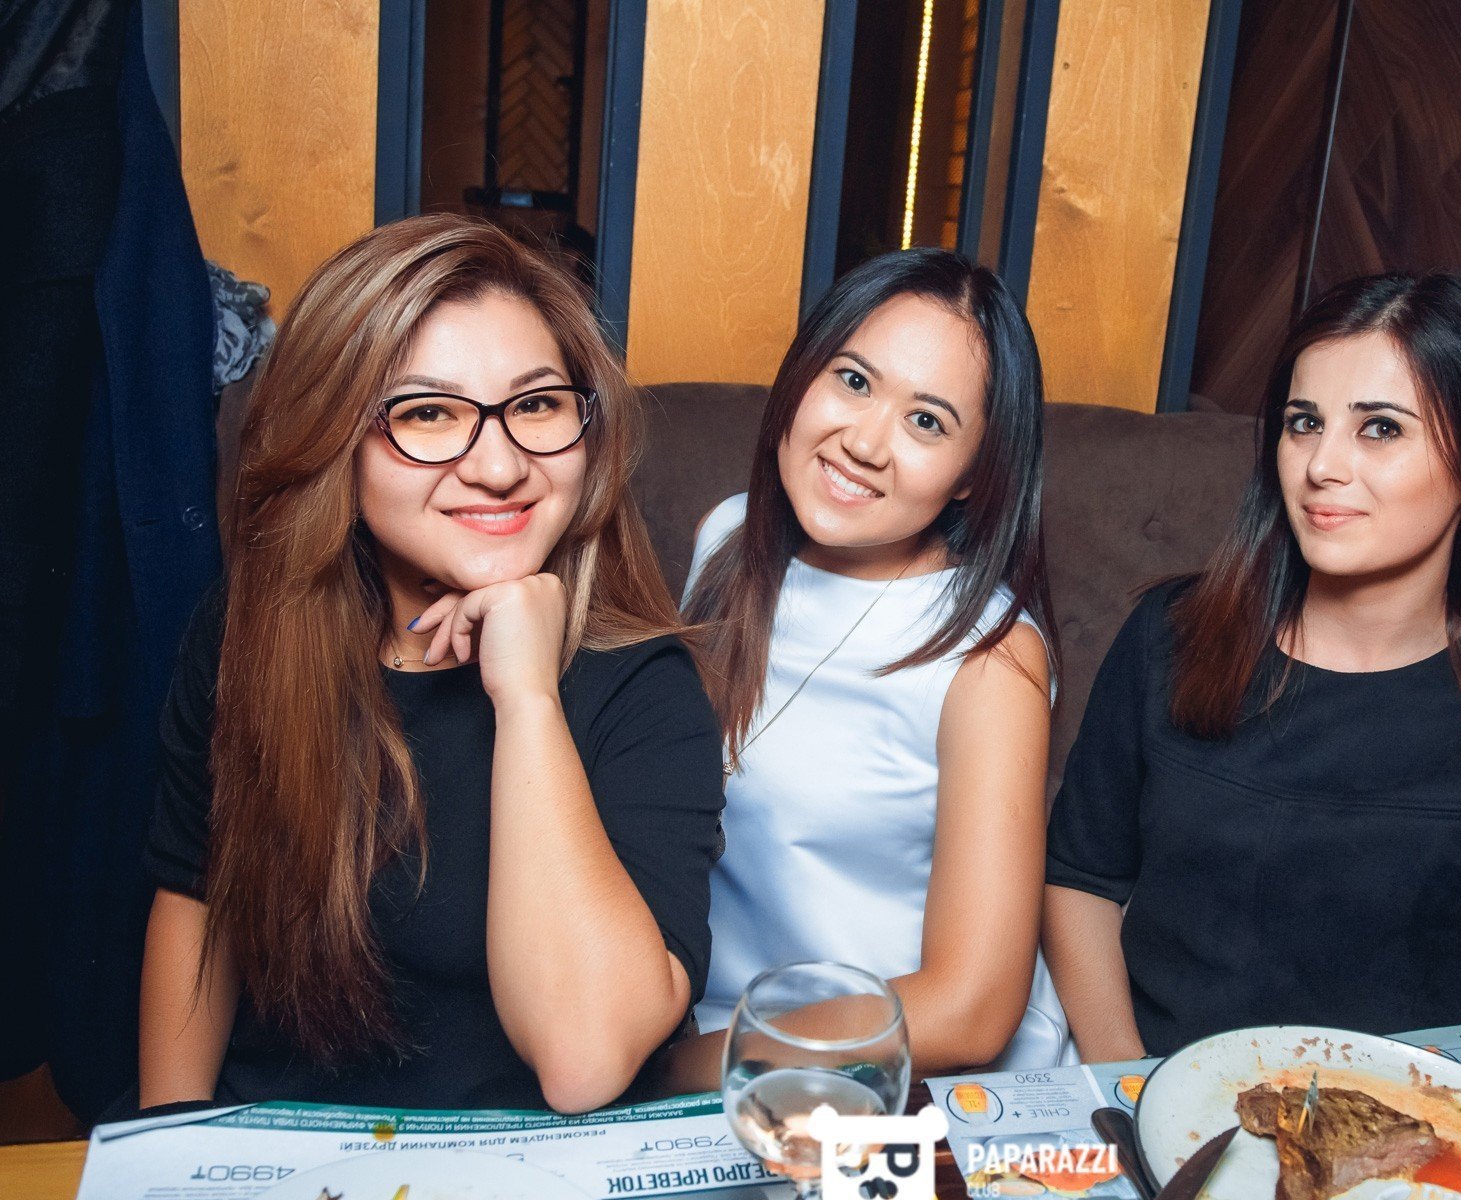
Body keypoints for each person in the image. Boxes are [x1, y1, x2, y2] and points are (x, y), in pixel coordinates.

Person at [1043, 272, 1461, 1083]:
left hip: (1400, 1135)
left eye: (1380, 428)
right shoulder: (1172, 635)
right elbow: (1080, 880)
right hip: (1163, 1100)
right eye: (1304, 422)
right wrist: (1135, 1088)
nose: (1322, 464)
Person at [138, 215, 724, 1114]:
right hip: (280, 1152)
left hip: (518, 1169)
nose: (500, 465)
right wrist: (170, 1147)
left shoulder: (645, 686)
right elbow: (195, 900)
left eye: (536, 404)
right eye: (427, 413)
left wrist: (526, 697)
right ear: (336, 438)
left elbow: (584, 1061)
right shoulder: (249, 630)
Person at [652, 248, 1069, 1092]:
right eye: (853, 380)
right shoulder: (726, 538)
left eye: (928, 422)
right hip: (716, 1030)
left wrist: (679, 1071)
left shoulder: (991, 659)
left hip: (902, 1074)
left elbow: (971, 1007)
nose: (865, 443)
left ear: (973, 475)